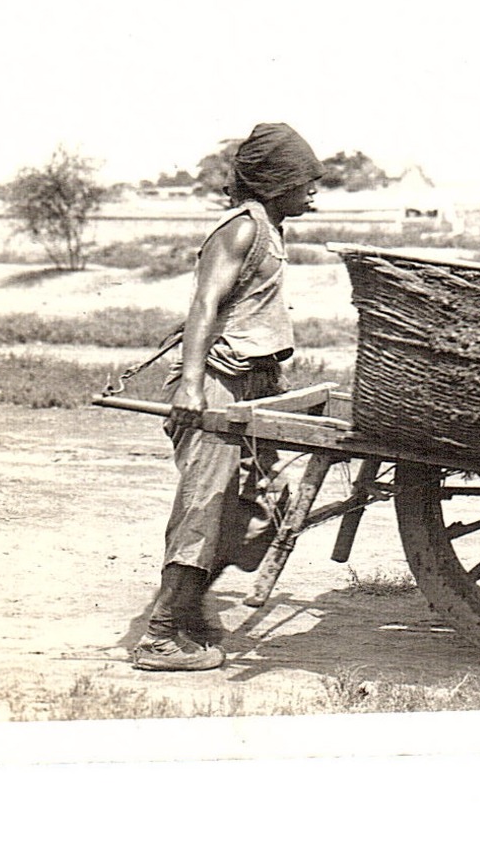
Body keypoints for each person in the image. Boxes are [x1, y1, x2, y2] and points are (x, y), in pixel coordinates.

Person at [131, 122, 324, 671]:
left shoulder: (271, 226)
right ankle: (162, 636)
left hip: (253, 386)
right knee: (206, 510)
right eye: (304, 179)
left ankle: (187, 610)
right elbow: (204, 307)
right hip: (217, 384)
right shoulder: (241, 230)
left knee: (260, 511)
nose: (313, 190)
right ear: (275, 181)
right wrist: (191, 385)